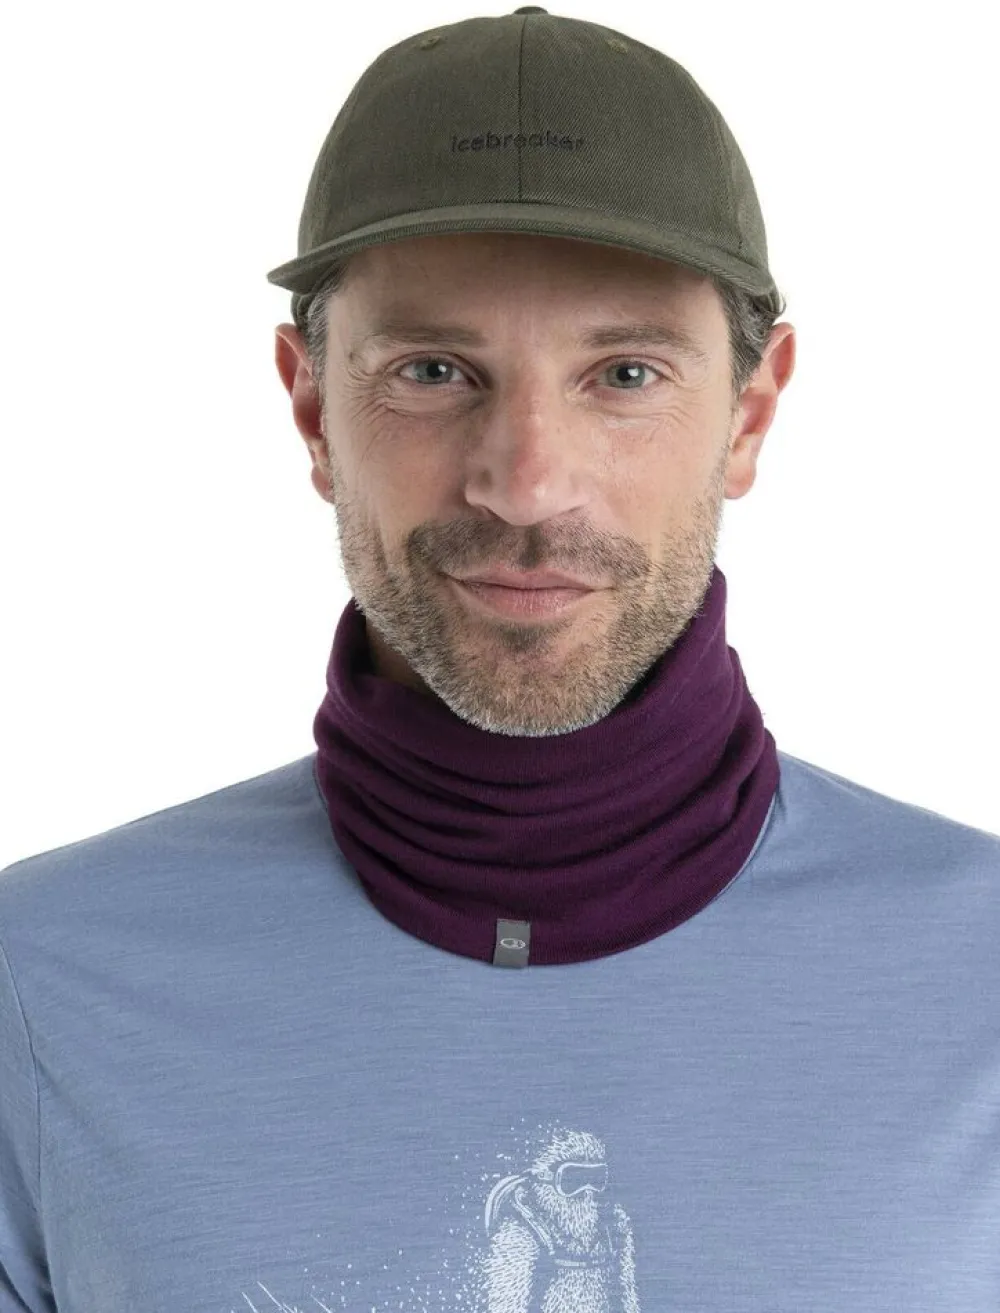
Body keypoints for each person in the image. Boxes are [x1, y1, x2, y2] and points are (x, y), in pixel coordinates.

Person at [2, 9, 998, 1312]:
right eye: (433, 369)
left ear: (750, 415)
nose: (526, 483)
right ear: (313, 408)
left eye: (624, 374)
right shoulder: (38, 986)